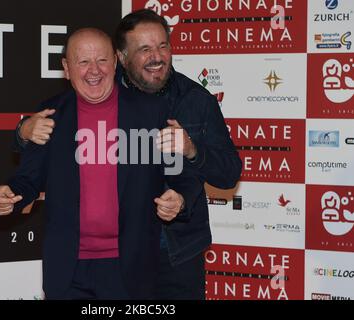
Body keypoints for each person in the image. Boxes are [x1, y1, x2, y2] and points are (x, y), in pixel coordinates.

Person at [14, 10, 242, 299]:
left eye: (163, 46)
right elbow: (51, 125)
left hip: (177, 251)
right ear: (120, 57)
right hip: (120, 255)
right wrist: (23, 130)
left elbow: (229, 174)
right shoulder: (99, 85)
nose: (157, 57)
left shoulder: (197, 101)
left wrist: (192, 149)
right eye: (144, 49)